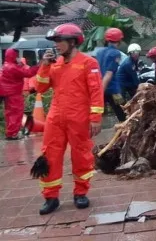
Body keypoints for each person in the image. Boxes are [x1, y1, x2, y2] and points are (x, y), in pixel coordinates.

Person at [31, 23, 104, 215]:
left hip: (79, 118)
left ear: (72, 41)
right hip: (55, 118)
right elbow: (40, 88)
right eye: (55, 41)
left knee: (81, 154)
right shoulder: (53, 64)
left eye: (59, 41)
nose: (56, 45)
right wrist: (44, 66)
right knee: (49, 156)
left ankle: (81, 193)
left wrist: (95, 118)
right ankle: (50, 197)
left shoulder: (89, 63)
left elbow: (96, 91)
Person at [0, 49, 39, 140]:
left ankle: (11, 133)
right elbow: (28, 73)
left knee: (9, 114)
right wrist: (39, 66)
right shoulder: (12, 67)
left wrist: (19, 65)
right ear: (13, 56)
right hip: (14, 94)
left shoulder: (6, 65)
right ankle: (13, 134)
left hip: (7, 93)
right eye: (16, 56)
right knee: (16, 113)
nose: (18, 58)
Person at [95, 28, 126, 122]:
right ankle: (125, 134)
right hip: (112, 90)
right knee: (123, 114)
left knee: (96, 115)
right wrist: (101, 92)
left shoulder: (99, 52)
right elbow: (109, 73)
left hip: (99, 87)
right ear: (119, 40)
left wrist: (98, 91)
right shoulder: (116, 53)